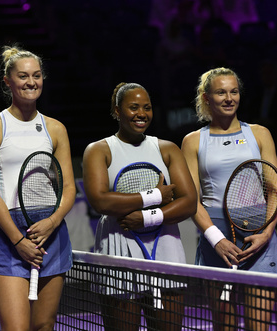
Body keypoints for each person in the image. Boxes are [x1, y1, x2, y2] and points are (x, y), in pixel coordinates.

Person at [0, 45, 75, 331]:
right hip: (9, 234)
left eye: (37, 75)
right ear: (8, 81)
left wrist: (52, 222)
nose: (31, 82)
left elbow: (68, 190)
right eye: (23, 76)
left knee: (44, 325)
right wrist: (18, 240)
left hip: (50, 231)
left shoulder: (55, 128)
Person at [82, 82, 198, 331]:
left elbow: (189, 203)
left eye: (147, 107)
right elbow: (101, 201)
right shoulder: (98, 151)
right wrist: (155, 195)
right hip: (117, 249)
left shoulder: (167, 149)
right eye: (133, 107)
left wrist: (147, 218)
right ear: (117, 110)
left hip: (166, 249)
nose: (141, 114)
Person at [181, 67, 277, 330]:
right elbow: (192, 199)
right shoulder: (193, 141)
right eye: (221, 92)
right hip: (217, 237)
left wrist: (266, 234)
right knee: (223, 326)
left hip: (259, 235)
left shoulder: (260, 134)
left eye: (234, 91)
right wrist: (216, 240)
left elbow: (275, 190)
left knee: (258, 326)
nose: (229, 98)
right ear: (206, 98)